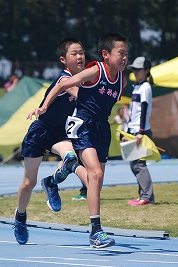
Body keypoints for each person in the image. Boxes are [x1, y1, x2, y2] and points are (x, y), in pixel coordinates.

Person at [28, 32, 129, 248]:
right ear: (106, 54)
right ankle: (96, 231)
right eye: (121, 53)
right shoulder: (95, 71)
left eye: (126, 54)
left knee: (95, 183)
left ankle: (54, 180)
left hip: (102, 127)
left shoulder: (122, 79)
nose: (124, 58)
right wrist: (44, 106)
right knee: (96, 173)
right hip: (83, 124)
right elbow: (63, 84)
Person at [13, 37, 88, 246]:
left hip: (60, 132)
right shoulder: (66, 79)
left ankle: (52, 182)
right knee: (28, 183)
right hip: (40, 130)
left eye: (82, 52)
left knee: (71, 158)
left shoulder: (83, 78)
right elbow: (78, 93)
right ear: (64, 59)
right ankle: (20, 217)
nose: (80, 56)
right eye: (75, 53)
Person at [124, 56, 155, 206]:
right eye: (134, 69)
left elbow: (143, 110)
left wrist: (140, 132)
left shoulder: (145, 87)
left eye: (138, 69)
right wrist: (128, 131)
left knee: (139, 165)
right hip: (134, 130)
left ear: (147, 70)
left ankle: (148, 197)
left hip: (140, 131)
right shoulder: (137, 86)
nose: (135, 72)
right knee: (135, 164)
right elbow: (133, 112)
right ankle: (143, 195)